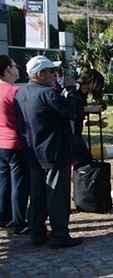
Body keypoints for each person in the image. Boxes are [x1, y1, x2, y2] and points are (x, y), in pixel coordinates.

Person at [15, 55, 84, 248]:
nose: (56, 75)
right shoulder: (47, 94)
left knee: (37, 195)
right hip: (54, 152)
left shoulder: (22, 93)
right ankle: (59, 235)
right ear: (40, 74)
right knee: (57, 196)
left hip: (34, 151)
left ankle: (37, 232)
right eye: (52, 72)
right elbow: (74, 111)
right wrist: (72, 90)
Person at [0, 55, 29, 236]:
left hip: (1, 143)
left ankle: (5, 217)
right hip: (15, 143)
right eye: (14, 64)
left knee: (3, 182)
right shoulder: (14, 92)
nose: (17, 67)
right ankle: (19, 222)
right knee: (19, 184)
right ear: (8, 69)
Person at [73, 69, 107, 165]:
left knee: (85, 162)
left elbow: (83, 120)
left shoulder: (83, 96)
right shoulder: (74, 92)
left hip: (76, 134)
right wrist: (91, 109)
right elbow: (73, 109)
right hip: (69, 135)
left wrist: (96, 123)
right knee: (86, 162)